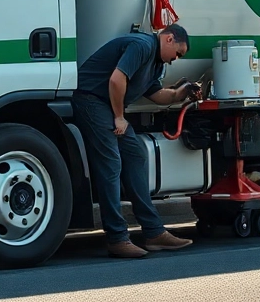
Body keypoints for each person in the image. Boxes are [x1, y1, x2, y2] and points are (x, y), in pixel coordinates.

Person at [73, 23, 199, 258]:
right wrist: (119, 117)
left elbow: (158, 95)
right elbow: (116, 80)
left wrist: (182, 93)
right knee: (111, 163)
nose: (175, 60)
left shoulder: (156, 64)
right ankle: (117, 238)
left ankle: (154, 233)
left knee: (135, 155)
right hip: (91, 100)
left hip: (105, 106)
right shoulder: (142, 45)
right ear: (169, 38)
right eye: (178, 54)